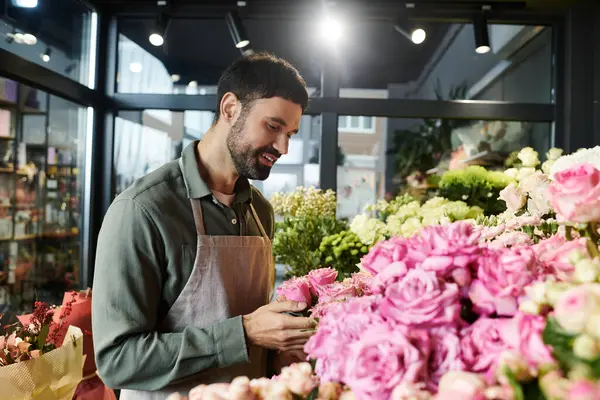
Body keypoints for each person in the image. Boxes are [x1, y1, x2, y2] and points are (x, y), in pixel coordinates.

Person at [92, 52, 315, 399]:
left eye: (291, 133)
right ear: (230, 109)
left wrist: (282, 352)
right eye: (273, 126)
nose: (283, 147)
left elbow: (252, 332)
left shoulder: (261, 211)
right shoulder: (143, 209)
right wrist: (245, 333)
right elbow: (117, 360)